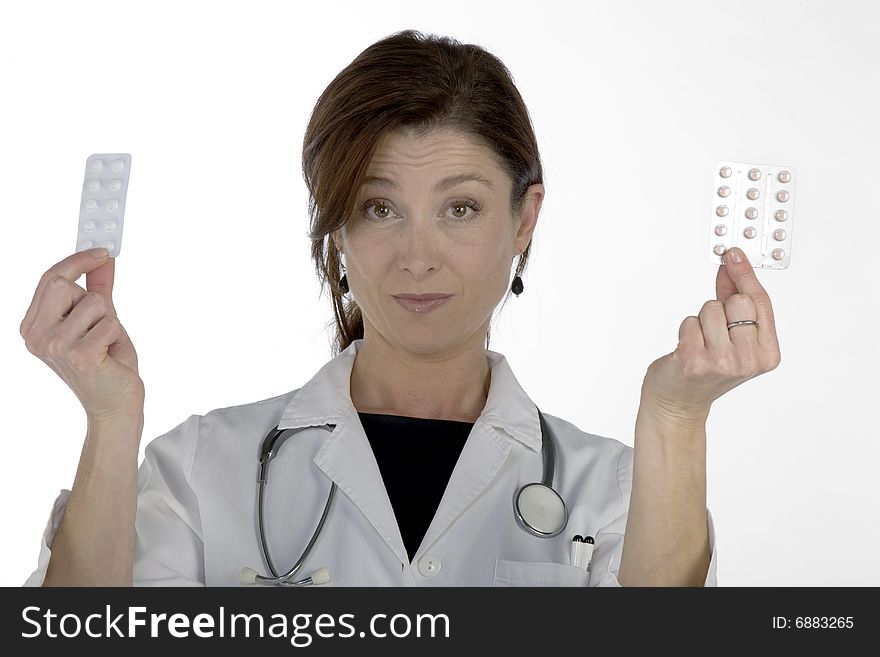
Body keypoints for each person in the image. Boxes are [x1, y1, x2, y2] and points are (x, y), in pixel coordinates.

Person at [21, 29, 780, 587]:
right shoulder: (199, 472)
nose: (417, 256)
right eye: (380, 208)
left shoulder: (608, 490)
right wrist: (110, 422)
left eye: (460, 208)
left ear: (524, 219)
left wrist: (676, 419)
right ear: (336, 224)